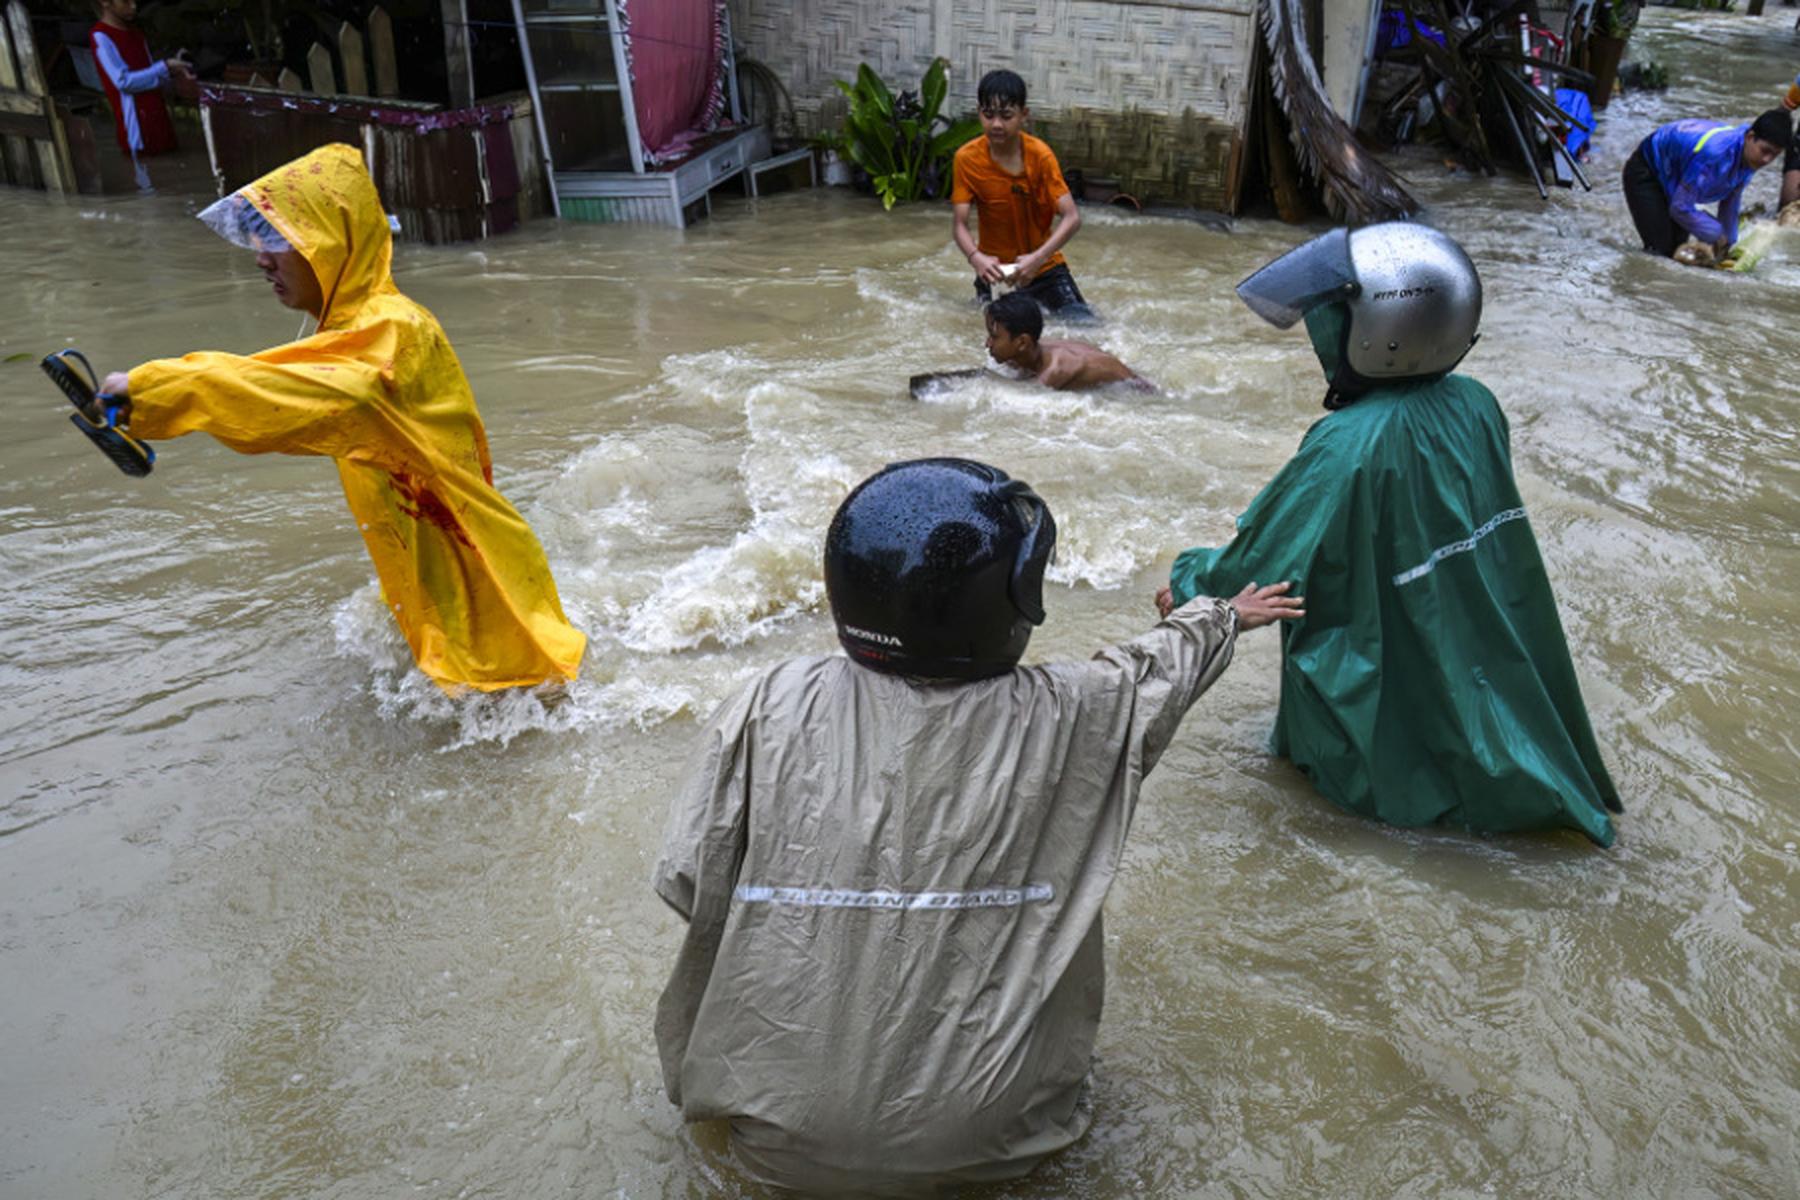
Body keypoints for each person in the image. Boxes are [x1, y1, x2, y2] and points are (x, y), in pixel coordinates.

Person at [653, 457, 1301, 1195]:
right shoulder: (1077, 709)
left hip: (769, 1147)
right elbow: (1156, 668)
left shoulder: (766, 703)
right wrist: (1221, 614)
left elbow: (684, 879)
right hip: (1000, 1150)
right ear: (1011, 604)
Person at [1159, 223, 1623, 846]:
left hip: (1378, 662)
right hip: (1459, 632)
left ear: (1381, 332)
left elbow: (1262, 560)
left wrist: (1188, 581)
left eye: (1335, 320)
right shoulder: (1476, 403)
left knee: (1363, 809)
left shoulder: (1346, 442)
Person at [89, 143, 586, 693]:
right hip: (445, 588)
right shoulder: (349, 333)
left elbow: (332, 399)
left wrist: (154, 389)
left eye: (277, 238)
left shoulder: (393, 329)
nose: (260, 257)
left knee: (521, 706)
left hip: (483, 602)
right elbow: (283, 388)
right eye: (257, 238)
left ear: (331, 242)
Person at [951, 69, 1093, 318]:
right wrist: (976, 258)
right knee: (998, 345)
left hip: (1045, 268)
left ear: (1023, 115)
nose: (996, 124)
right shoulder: (966, 159)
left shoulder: (1041, 156)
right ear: (979, 113)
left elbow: (1072, 217)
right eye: (988, 115)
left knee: (1087, 329)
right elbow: (959, 224)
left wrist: (1037, 258)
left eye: (1006, 116)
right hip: (996, 273)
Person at [1621, 109, 1791, 259]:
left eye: (1774, 155)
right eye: (1765, 151)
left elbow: (1731, 200)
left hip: (1675, 176)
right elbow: (1680, 208)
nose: (1766, 160)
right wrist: (1716, 234)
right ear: (1750, 137)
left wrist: (1729, 242)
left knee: (1677, 249)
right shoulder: (1714, 154)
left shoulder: (1751, 157)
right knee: (1659, 252)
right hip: (1646, 170)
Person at [89, 0, 191, 190]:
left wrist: (172, 73)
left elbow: (149, 75)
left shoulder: (136, 35)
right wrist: (165, 67)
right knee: (148, 188)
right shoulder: (100, 36)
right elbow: (123, 82)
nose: (134, 5)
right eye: (126, 1)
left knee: (172, 183)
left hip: (159, 121)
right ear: (105, 2)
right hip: (137, 132)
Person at [984, 291, 1146, 390]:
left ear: (1022, 343)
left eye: (994, 337)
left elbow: (1018, 398)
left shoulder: (1055, 370)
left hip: (1135, 390)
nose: (987, 343)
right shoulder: (1025, 350)